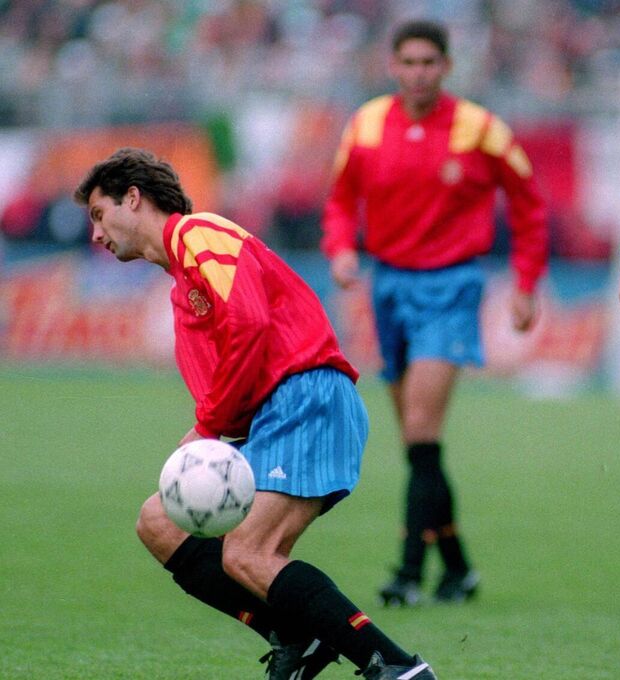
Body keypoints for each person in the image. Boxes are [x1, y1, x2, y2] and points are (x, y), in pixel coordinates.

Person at [75, 147, 435, 680]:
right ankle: (294, 632)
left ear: (133, 198)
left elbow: (248, 324)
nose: (97, 235)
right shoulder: (182, 286)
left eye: (100, 215)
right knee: (159, 523)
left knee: (248, 553)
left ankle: (399, 669)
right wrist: (211, 434)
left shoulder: (199, 234)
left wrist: (206, 429)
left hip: (305, 397)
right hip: (272, 417)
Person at [321, 19, 549, 608]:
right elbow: (341, 201)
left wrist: (525, 284)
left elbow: (529, 206)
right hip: (389, 287)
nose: (419, 72)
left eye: (429, 62)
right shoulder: (366, 124)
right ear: (392, 66)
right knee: (418, 444)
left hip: (452, 288)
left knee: (421, 432)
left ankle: (407, 572)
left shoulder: (480, 129)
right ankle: (458, 567)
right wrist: (342, 250)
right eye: (408, 62)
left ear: (446, 67)